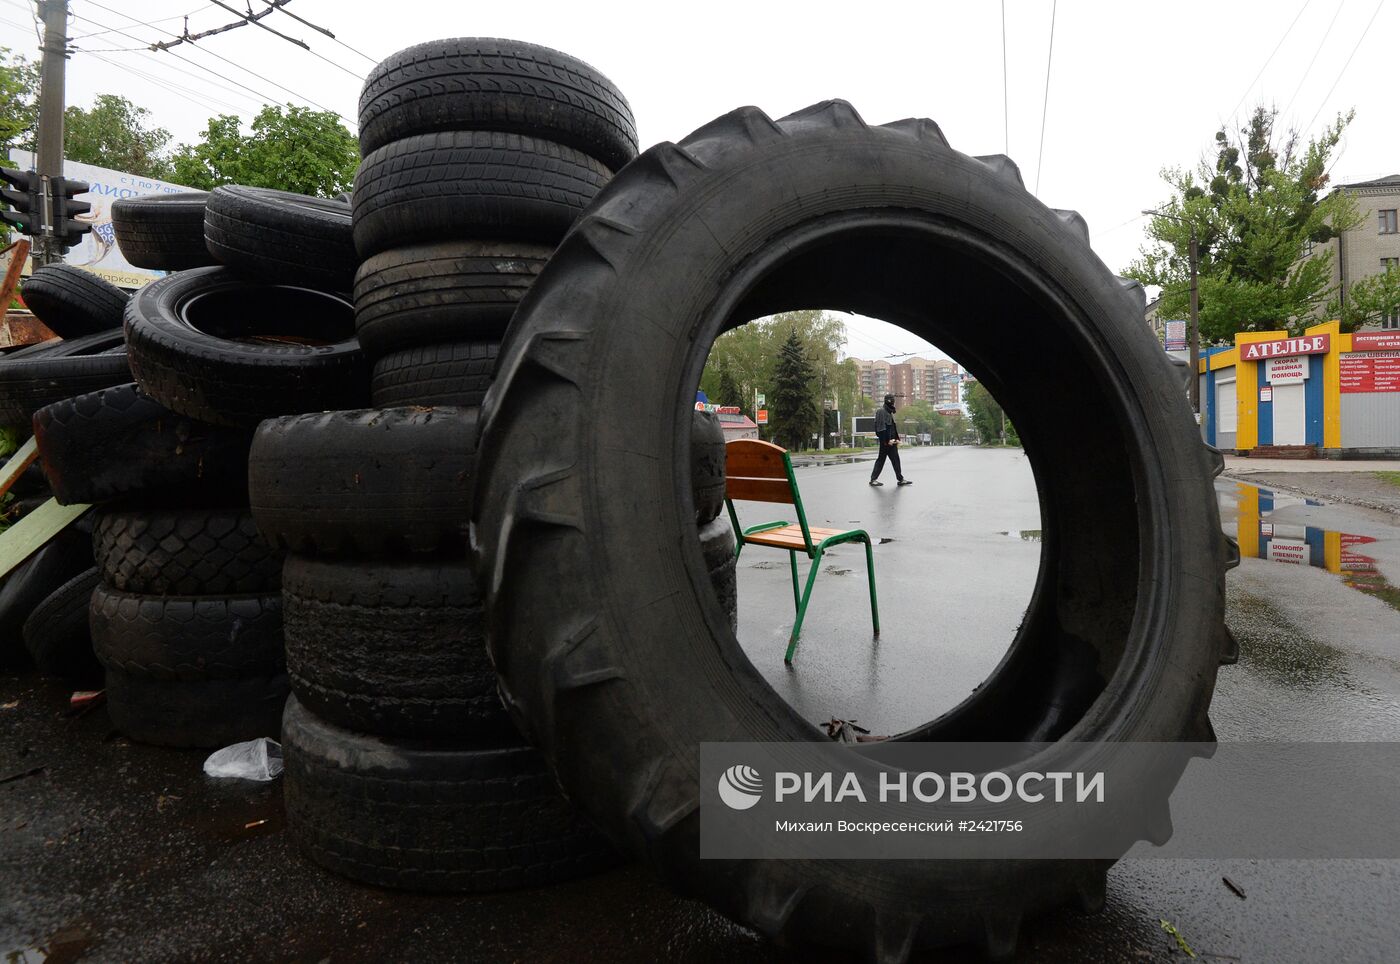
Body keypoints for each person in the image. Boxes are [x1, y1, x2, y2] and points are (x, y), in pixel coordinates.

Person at [869, 394, 912, 486]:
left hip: (892, 442)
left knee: (896, 460)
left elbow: (892, 428)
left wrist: (896, 439)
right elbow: (881, 428)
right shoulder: (881, 412)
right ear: (888, 401)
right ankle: (873, 479)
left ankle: (900, 479)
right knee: (881, 460)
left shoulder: (889, 413)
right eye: (892, 401)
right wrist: (886, 441)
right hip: (886, 442)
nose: (893, 403)